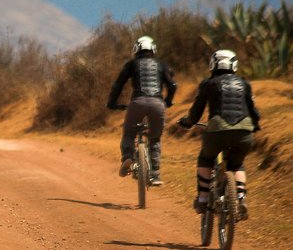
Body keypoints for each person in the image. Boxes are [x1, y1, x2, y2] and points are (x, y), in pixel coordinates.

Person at [177, 49, 260, 220]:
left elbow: (196, 112)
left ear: (213, 64)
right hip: (244, 132)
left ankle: (203, 197)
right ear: (234, 64)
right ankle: (240, 197)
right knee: (237, 164)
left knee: (206, 159)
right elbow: (254, 112)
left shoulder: (208, 84)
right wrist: (255, 126)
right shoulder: (245, 84)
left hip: (216, 131)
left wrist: (187, 122)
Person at [106, 35, 177, 184]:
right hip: (157, 104)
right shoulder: (162, 64)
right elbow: (172, 85)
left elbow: (117, 85)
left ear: (136, 50)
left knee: (129, 134)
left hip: (137, 102)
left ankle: (127, 158)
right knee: (155, 138)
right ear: (153, 49)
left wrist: (112, 103)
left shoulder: (131, 64)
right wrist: (168, 101)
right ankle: (156, 174)